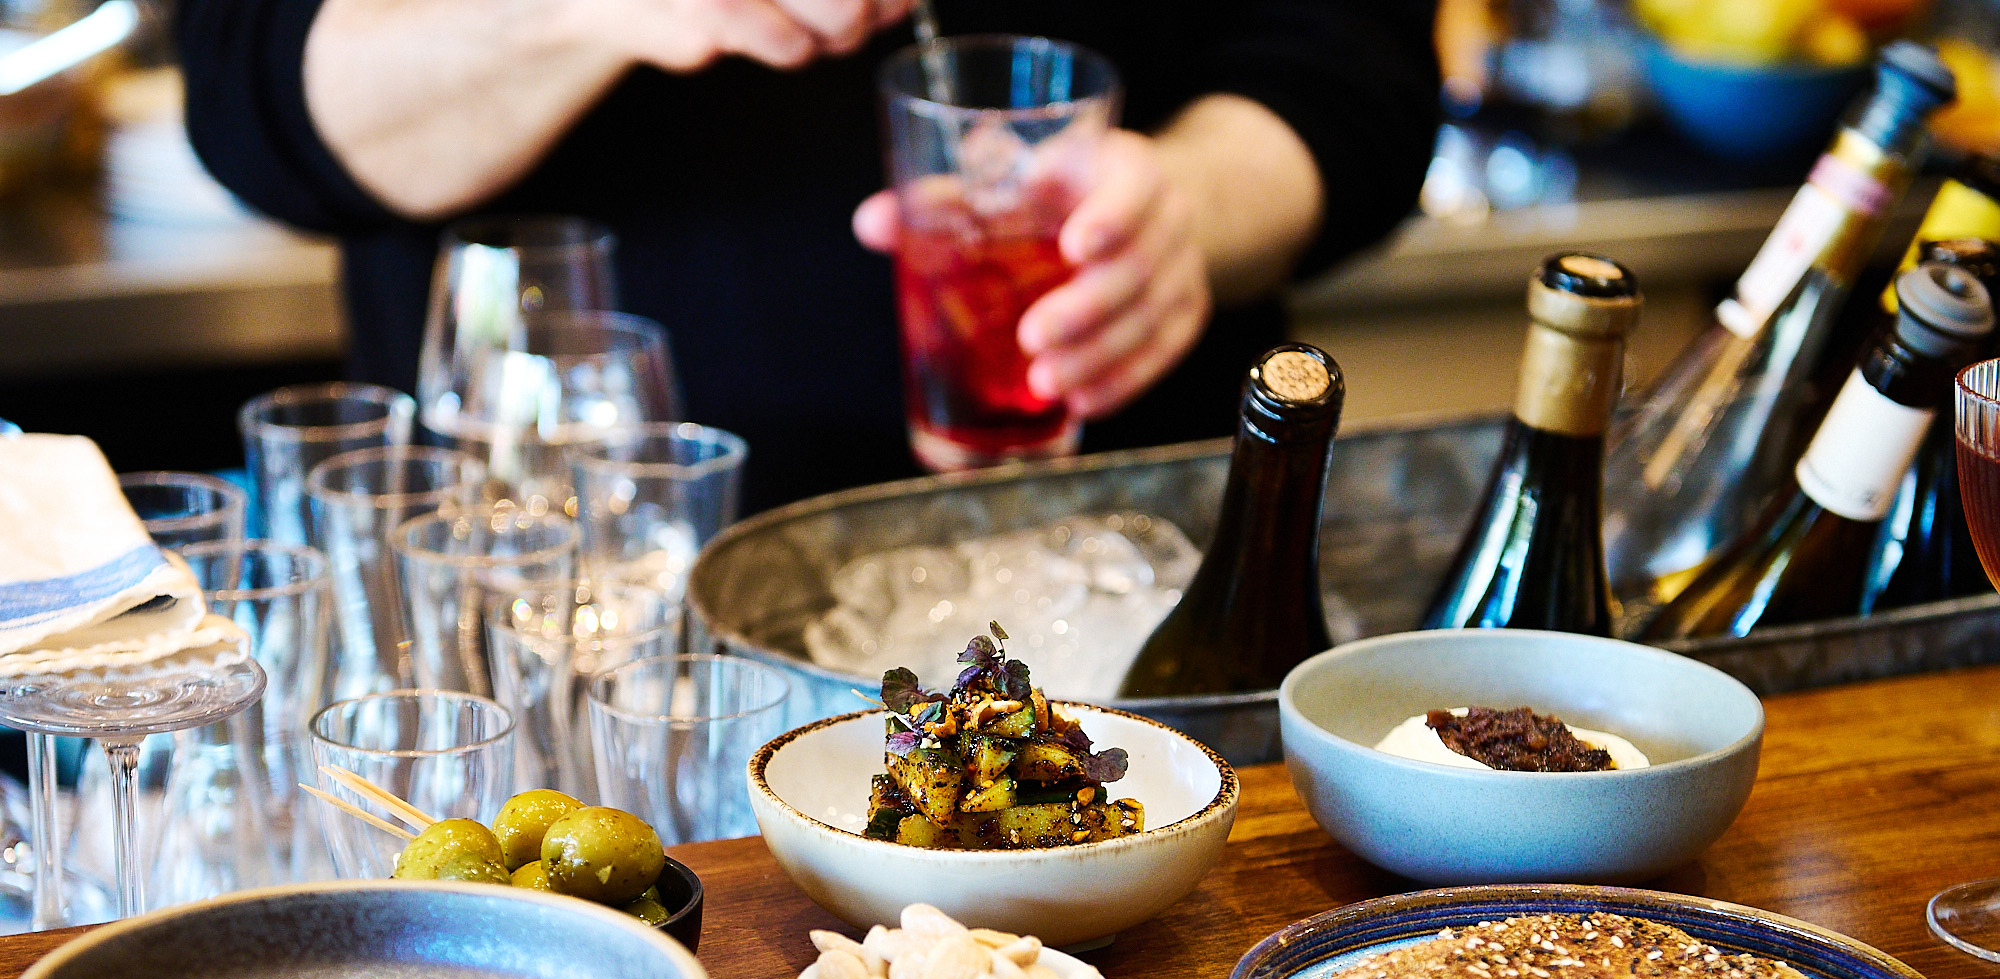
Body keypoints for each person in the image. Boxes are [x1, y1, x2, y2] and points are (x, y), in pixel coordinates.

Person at [178, 1, 1439, 512]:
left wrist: (1186, 206)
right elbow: (253, 105)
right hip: (565, 559)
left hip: (1122, 541)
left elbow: (1352, 73)